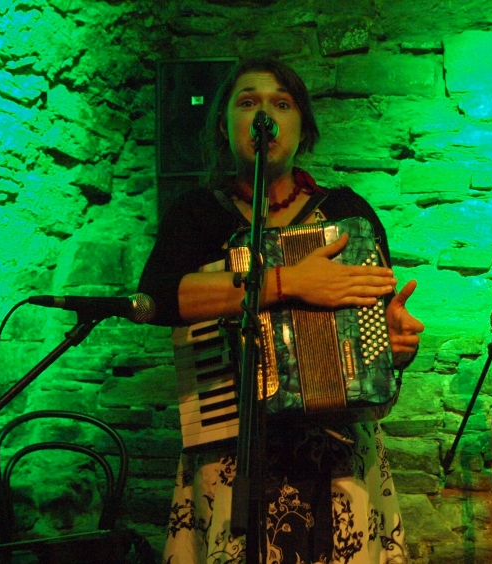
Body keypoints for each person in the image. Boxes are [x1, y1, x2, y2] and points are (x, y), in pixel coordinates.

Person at [139, 57, 425, 564]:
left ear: (302, 126)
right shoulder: (197, 214)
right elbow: (158, 300)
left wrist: (395, 344)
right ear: (223, 124)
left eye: (282, 103)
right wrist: (290, 282)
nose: (263, 115)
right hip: (231, 449)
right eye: (247, 102)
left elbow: (380, 327)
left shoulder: (346, 214)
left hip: (338, 454)